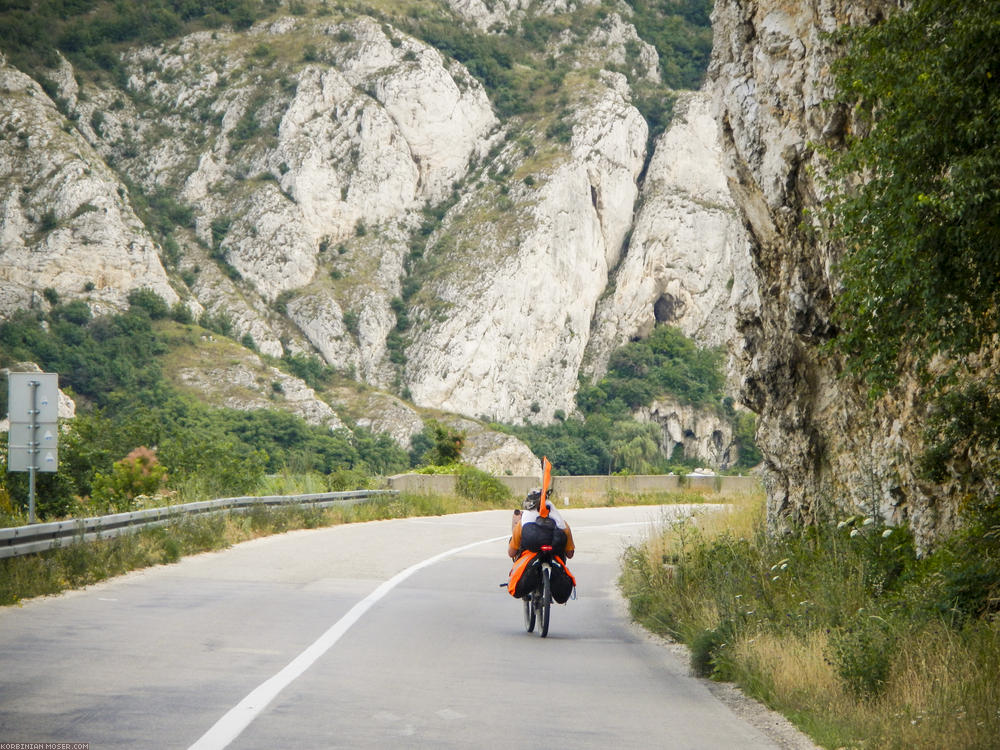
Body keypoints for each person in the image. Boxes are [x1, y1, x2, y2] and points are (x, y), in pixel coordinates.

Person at [508, 487, 575, 561]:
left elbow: (511, 553)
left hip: (529, 562)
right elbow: (570, 554)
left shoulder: (523, 523)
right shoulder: (562, 524)